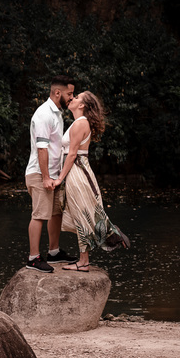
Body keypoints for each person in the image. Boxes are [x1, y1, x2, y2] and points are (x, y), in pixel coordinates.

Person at [55, 91, 129, 272]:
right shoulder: (78, 123)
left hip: (77, 172)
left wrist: (60, 179)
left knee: (82, 214)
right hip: (77, 171)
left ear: (82, 106)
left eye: (77, 97)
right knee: (79, 214)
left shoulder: (81, 123)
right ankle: (103, 240)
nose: (72, 98)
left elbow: (72, 154)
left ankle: (88, 256)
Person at [23, 75, 78, 273]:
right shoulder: (43, 114)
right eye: (69, 94)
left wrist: (57, 176)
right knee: (39, 215)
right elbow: (42, 148)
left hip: (54, 174)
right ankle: (33, 258)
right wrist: (46, 177)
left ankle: (53, 253)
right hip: (39, 173)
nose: (72, 98)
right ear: (57, 93)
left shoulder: (56, 113)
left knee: (56, 212)